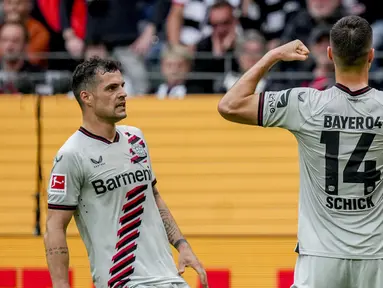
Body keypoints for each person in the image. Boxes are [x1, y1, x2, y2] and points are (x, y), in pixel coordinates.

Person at [218, 15, 383, 288]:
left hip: (320, 256)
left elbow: (230, 105)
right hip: (376, 255)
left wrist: (273, 55)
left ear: (330, 54)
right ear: (371, 56)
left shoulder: (306, 103)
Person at [44, 57, 209, 288]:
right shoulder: (71, 155)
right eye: (111, 88)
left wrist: (182, 245)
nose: (122, 93)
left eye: (122, 85)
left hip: (169, 278)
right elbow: (54, 226)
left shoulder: (135, 138)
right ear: (86, 97)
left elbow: (154, 197)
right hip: (124, 281)